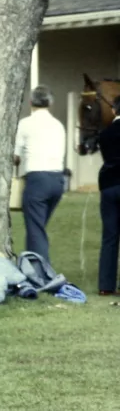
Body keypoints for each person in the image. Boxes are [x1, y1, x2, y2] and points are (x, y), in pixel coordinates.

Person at [13, 85, 66, 265]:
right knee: (37, 227)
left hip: (37, 179)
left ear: (30, 102)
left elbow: (15, 155)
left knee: (35, 229)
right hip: (58, 180)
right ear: (50, 103)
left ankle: (41, 274)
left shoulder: (26, 124)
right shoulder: (58, 125)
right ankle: (30, 266)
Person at [97, 95, 120, 296]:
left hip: (109, 185)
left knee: (110, 237)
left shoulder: (105, 134)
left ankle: (106, 285)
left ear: (114, 110)